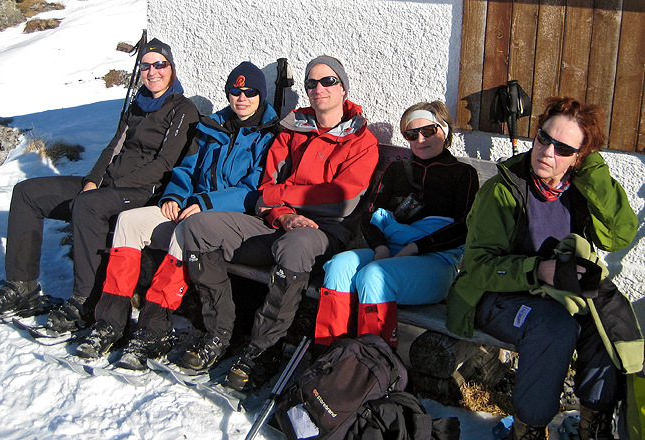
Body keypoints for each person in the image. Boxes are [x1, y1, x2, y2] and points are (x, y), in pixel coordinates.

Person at [172, 55, 379, 388]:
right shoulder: (293, 129)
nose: (319, 88)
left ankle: (262, 349)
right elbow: (266, 187)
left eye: (328, 81)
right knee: (197, 228)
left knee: (295, 245)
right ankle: (220, 333)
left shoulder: (360, 140)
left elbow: (342, 198)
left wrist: (282, 197)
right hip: (276, 223)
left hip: (324, 231)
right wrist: (282, 214)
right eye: (311, 83)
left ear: (343, 88)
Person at [445, 97, 641, 440]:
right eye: (544, 138)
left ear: (579, 158)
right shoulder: (503, 190)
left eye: (564, 148)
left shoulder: (580, 190)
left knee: (606, 319)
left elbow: (619, 234)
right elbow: (478, 267)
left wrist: (593, 171)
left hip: (555, 293)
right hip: (493, 295)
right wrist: (538, 271)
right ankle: (529, 429)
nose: (548, 152)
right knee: (554, 327)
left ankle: (594, 422)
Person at [73, 62, 280, 369]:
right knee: (129, 222)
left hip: (223, 217)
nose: (242, 98)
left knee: (187, 231)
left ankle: (153, 329)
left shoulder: (270, 135)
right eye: (235, 92)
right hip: (191, 206)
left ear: (261, 95)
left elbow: (254, 189)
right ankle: (110, 321)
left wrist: (205, 203)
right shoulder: (212, 127)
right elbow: (186, 168)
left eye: (250, 92)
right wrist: (174, 195)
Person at [0, 38, 199, 333]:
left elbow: (165, 164)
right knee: (27, 193)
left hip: (143, 192)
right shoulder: (137, 105)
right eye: (146, 66)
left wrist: (112, 186)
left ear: (171, 68)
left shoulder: (182, 109)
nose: (153, 72)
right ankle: (21, 286)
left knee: (89, 205)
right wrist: (92, 180)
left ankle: (86, 300)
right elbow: (113, 148)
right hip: (108, 187)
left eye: (160, 65)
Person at [314, 101, 479, 348]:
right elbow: (369, 213)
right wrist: (380, 247)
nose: (420, 140)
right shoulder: (397, 170)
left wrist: (415, 247)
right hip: (390, 250)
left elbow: (464, 227)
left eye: (428, 131)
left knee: (375, 276)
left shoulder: (462, 174)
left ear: (444, 131)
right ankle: (330, 352)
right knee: (340, 265)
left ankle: (372, 360)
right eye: (411, 134)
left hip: (436, 260)